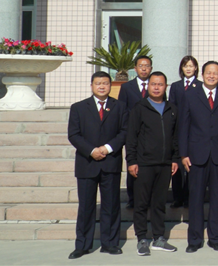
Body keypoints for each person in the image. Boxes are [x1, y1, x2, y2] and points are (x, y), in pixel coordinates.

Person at [67, 71, 129, 259]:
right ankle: (82, 245)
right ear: (91, 86)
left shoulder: (120, 107)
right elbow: (74, 134)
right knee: (86, 207)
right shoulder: (78, 108)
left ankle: (110, 243)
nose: (102, 86)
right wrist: (92, 150)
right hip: (87, 163)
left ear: (111, 86)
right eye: (98, 83)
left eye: (105, 83)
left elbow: (124, 132)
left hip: (110, 162)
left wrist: (107, 148)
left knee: (111, 205)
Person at [179, 61, 218, 253]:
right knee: (195, 198)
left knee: (217, 198)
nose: (212, 76)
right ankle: (194, 240)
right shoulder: (190, 95)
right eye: (208, 73)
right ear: (202, 74)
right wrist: (183, 154)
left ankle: (215, 238)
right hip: (196, 155)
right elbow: (184, 126)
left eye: (215, 73)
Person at [126, 71, 179, 256]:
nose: (157, 87)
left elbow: (175, 137)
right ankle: (142, 238)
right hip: (144, 163)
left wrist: (175, 159)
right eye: (153, 84)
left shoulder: (172, 109)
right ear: (148, 86)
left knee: (159, 203)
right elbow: (131, 137)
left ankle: (159, 238)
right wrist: (131, 161)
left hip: (165, 164)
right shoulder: (139, 108)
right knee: (141, 203)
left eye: (160, 84)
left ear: (166, 87)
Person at [117, 55, 153, 209]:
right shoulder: (127, 87)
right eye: (141, 66)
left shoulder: (155, 85)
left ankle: (149, 198)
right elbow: (122, 110)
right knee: (133, 165)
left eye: (147, 66)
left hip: (152, 133)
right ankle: (132, 199)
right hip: (133, 132)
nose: (144, 69)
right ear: (135, 68)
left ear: (151, 68)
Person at [168, 56, 199, 208]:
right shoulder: (175, 86)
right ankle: (177, 197)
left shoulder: (200, 86)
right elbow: (171, 107)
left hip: (194, 130)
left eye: (191, 66)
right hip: (178, 129)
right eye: (185, 66)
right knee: (178, 165)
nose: (188, 68)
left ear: (196, 68)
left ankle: (189, 197)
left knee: (192, 165)